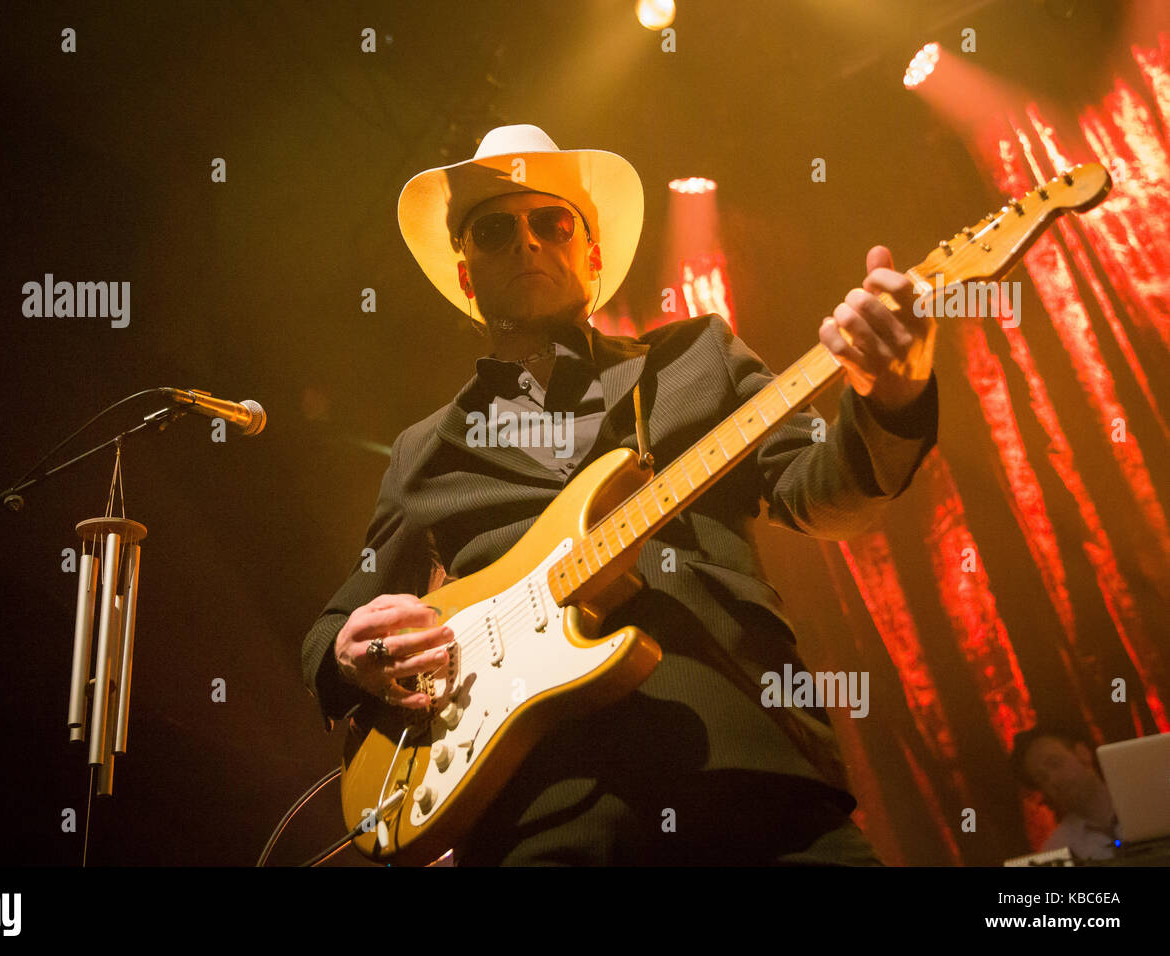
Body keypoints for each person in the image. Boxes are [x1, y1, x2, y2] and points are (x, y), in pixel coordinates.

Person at [301, 124, 939, 865]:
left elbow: (822, 492)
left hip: (750, 775)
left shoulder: (699, 358)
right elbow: (342, 617)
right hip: (534, 810)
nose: (527, 242)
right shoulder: (425, 449)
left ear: (591, 256)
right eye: (495, 228)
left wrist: (891, 400)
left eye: (553, 221)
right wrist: (349, 654)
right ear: (467, 273)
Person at [1010, 723, 1120, 861]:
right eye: (1042, 778)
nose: (1053, 780)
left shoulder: (1147, 800)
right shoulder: (1055, 852)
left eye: (1055, 763)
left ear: (1083, 753)